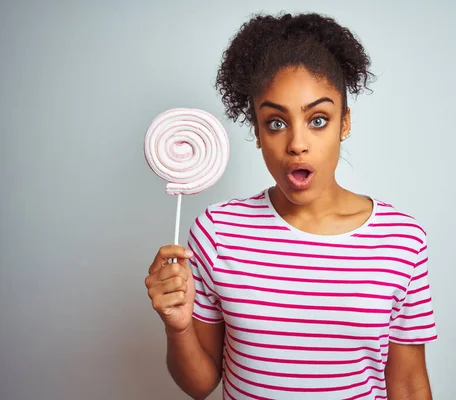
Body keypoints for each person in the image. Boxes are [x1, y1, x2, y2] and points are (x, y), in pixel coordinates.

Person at [145, 12, 437, 400]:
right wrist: (177, 327)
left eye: (318, 119)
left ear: (344, 123)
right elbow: (199, 385)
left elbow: (409, 383)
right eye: (276, 123)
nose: (297, 143)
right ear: (257, 132)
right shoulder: (218, 232)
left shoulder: (401, 240)